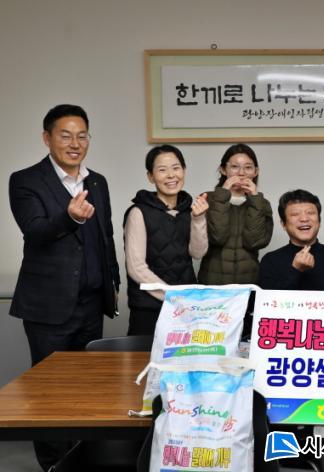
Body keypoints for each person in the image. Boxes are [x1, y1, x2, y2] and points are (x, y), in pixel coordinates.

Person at [8, 104, 120, 471]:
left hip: (90, 303)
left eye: (82, 136)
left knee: (87, 388)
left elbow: (105, 236)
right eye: (66, 135)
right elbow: (35, 231)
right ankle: (54, 464)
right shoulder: (25, 180)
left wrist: (112, 283)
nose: (75, 143)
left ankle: (82, 459)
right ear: (47, 138)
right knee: (49, 390)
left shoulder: (97, 181)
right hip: (48, 306)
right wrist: (70, 217)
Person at [123, 145, 209, 335]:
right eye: (162, 170)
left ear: (184, 171)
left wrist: (198, 219)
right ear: (150, 176)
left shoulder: (190, 210)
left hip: (185, 307)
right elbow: (136, 268)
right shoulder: (138, 212)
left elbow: (198, 253)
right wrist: (173, 296)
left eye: (176, 168)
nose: (171, 175)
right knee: (145, 354)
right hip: (149, 308)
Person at [198, 143, 273, 285]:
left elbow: (254, 242)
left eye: (248, 167)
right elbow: (217, 238)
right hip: (212, 284)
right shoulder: (208, 199)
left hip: (249, 283)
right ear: (223, 170)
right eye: (234, 166)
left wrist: (255, 199)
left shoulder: (262, 203)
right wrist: (222, 194)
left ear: (256, 172)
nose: (241, 173)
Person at [260, 189, 324, 291]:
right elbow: (270, 299)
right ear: (283, 224)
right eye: (295, 214)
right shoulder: (270, 261)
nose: (304, 219)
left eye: (310, 213)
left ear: (319, 221)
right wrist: (295, 270)